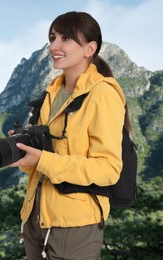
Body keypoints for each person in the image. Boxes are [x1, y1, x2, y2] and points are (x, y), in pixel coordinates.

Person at [9, 11, 131, 259]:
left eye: (65, 39)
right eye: (52, 37)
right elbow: (44, 162)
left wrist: (42, 160)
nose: (53, 45)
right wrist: (24, 154)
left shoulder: (102, 94)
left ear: (89, 48)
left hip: (75, 225)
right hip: (35, 219)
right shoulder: (50, 93)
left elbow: (108, 169)